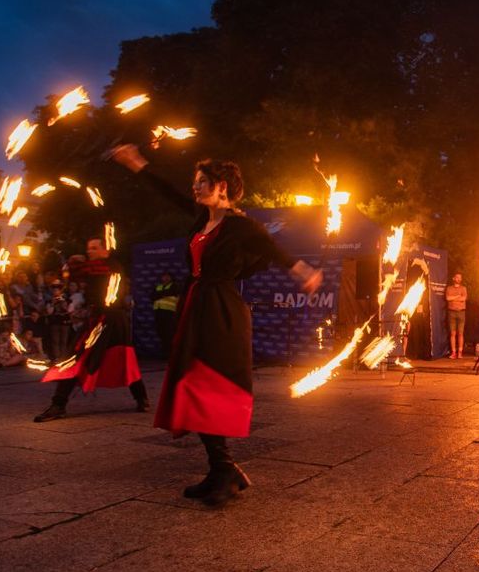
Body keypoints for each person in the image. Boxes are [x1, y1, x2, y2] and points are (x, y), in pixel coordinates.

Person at [111, 144, 323, 507]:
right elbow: (169, 193)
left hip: (221, 311)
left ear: (221, 186)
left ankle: (224, 470)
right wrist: (138, 164)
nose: (195, 187)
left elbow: (269, 247)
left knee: (204, 383)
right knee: (192, 384)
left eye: (202, 182)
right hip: (196, 305)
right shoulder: (200, 221)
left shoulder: (239, 226)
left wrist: (300, 269)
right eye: (195, 182)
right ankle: (222, 469)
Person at [34, 238, 149, 421]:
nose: (90, 251)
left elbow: (93, 271)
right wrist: (65, 265)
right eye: (88, 248)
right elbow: (66, 276)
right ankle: (58, 403)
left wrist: (76, 263)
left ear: (106, 250)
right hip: (97, 319)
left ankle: (141, 398)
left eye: (94, 248)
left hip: (114, 320)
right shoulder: (91, 268)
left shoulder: (112, 266)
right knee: (74, 358)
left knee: (123, 361)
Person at [151, 272, 180, 358]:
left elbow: (172, 292)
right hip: (159, 312)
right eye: (164, 276)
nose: (166, 278)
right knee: (161, 332)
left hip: (169, 312)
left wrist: (159, 294)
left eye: (168, 276)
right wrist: (163, 294)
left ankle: (171, 354)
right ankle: (165, 353)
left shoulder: (175, 286)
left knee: (169, 333)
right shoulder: (158, 286)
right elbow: (152, 296)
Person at [445, 272, 467, 359]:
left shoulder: (463, 288)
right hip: (451, 312)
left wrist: (453, 298)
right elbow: (447, 298)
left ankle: (460, 352)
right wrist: (458, 296)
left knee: (460, 333)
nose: (459, 279)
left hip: (461, 312)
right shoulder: (449, 288)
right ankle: (453, 352)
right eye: (457, 277)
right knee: (452, 333)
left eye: (460, 278)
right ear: (453, 278)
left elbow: (464, 298)